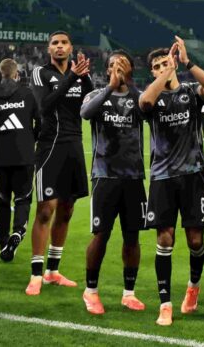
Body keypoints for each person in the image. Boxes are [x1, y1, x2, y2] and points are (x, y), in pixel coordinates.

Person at [139, 37, 204, 327]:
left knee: (195, 240)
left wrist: (186, 62)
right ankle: (165, 304)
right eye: (156, 66)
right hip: (162, 177)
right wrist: (163, 75)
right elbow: (145, 102)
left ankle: (193, 288)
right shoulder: (151, 95)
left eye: (164, 63)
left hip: (194, 175)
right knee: (164, 238)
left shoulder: (189, 93)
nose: (162, 67)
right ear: (152, 71)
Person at [79, 51, 146, 314]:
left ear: (129, 69)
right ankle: (91, 291)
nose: (116, 69)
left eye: (122, 65)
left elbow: (149, 107)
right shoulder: (95, 95)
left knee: (132, 237)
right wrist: (110, 86)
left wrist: (128, 83)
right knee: (101, 235)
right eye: (111, 66)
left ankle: (129, 293)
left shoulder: (138, 97)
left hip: (133, 178)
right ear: (106, 71)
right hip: (104, 176)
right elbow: (85, 113)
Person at [27, 32, 93, 295]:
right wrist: (72, 77)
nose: (59, 46)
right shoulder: (40, 73)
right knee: (45, 210)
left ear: (71, 47)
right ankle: (35, 273)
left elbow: (89, 106)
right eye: (55, 43)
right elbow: (44, 105)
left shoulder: (79, 74)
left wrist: (84, 77)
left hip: (74, 145)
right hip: (50, 146)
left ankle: (53, 271)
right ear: (48, 49)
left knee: (66, 209)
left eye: (64, 43)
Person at [0, 58, 36, 262]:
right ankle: (18, 232)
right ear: (17, 74)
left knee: (2, 202)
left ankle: (3, 242)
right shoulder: (27, 93)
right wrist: (31, 138)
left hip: (1, 157)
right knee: (23, 199)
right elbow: (42, 122)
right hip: (24, 156)